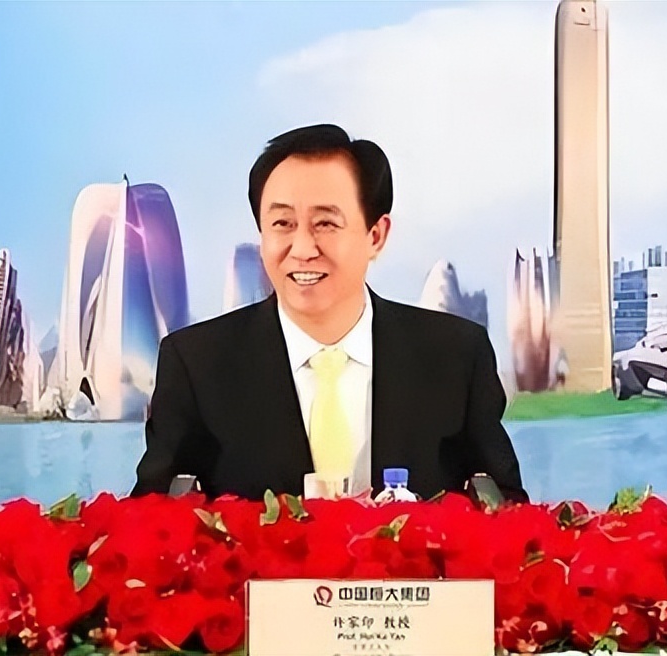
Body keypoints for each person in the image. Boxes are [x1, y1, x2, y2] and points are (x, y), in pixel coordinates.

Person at [131, 124, 526, 502]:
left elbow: (505, 510)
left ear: (376, 235)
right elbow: (152, 517)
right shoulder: (197, 363)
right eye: (282, 223)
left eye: (325, 223)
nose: (303, 248)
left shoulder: (456, 356)